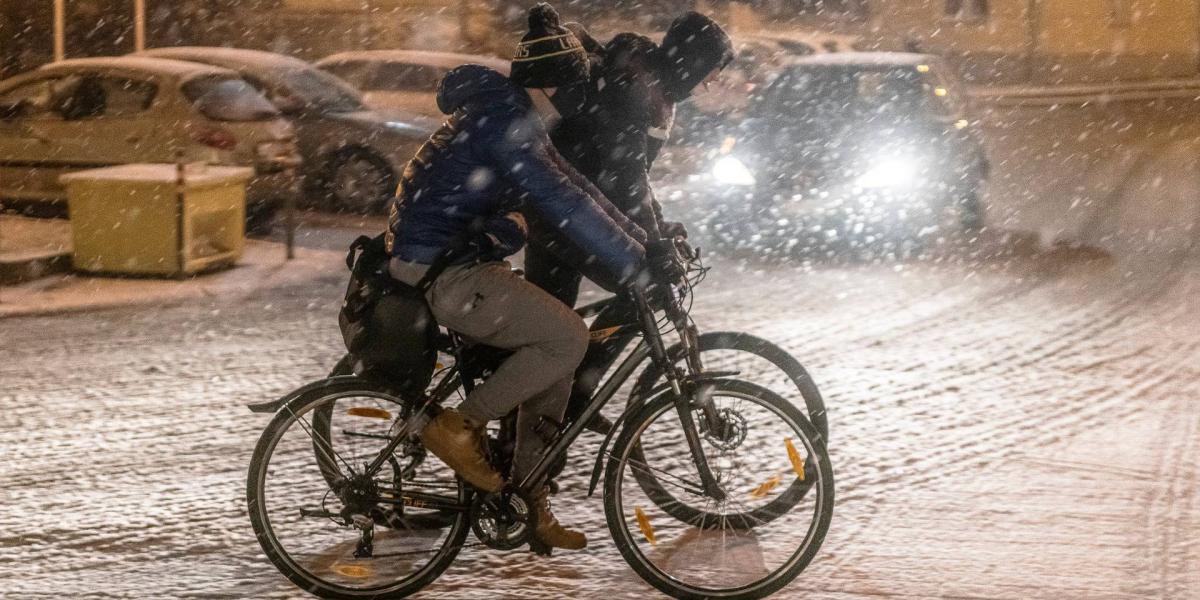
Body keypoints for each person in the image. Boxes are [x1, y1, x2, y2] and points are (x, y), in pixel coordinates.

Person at [385, 3, 679, 552]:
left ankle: (530, 498)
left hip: (458, 259)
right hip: (446, 271)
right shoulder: (509, 127)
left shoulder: (514, 117)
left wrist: (647, 247)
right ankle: (458, 426)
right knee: (567, 337)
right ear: (560, 90)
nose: (584, 101)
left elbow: (581, 191)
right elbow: (566, 203)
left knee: (558, 356)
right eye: (578, 91)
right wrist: (635, 266)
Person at [523, 12, 734, 430]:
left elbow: (633, 176)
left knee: (547, 338)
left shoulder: (647, 84)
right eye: (708, 73)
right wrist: (653, 242)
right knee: (645, 287)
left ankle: (525, 453)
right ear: (690, 62)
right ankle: (573, 395)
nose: (708, 84)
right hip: (562, 213)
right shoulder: (633, 86)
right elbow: (624, 174)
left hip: (566, 210)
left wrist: (659, 226)